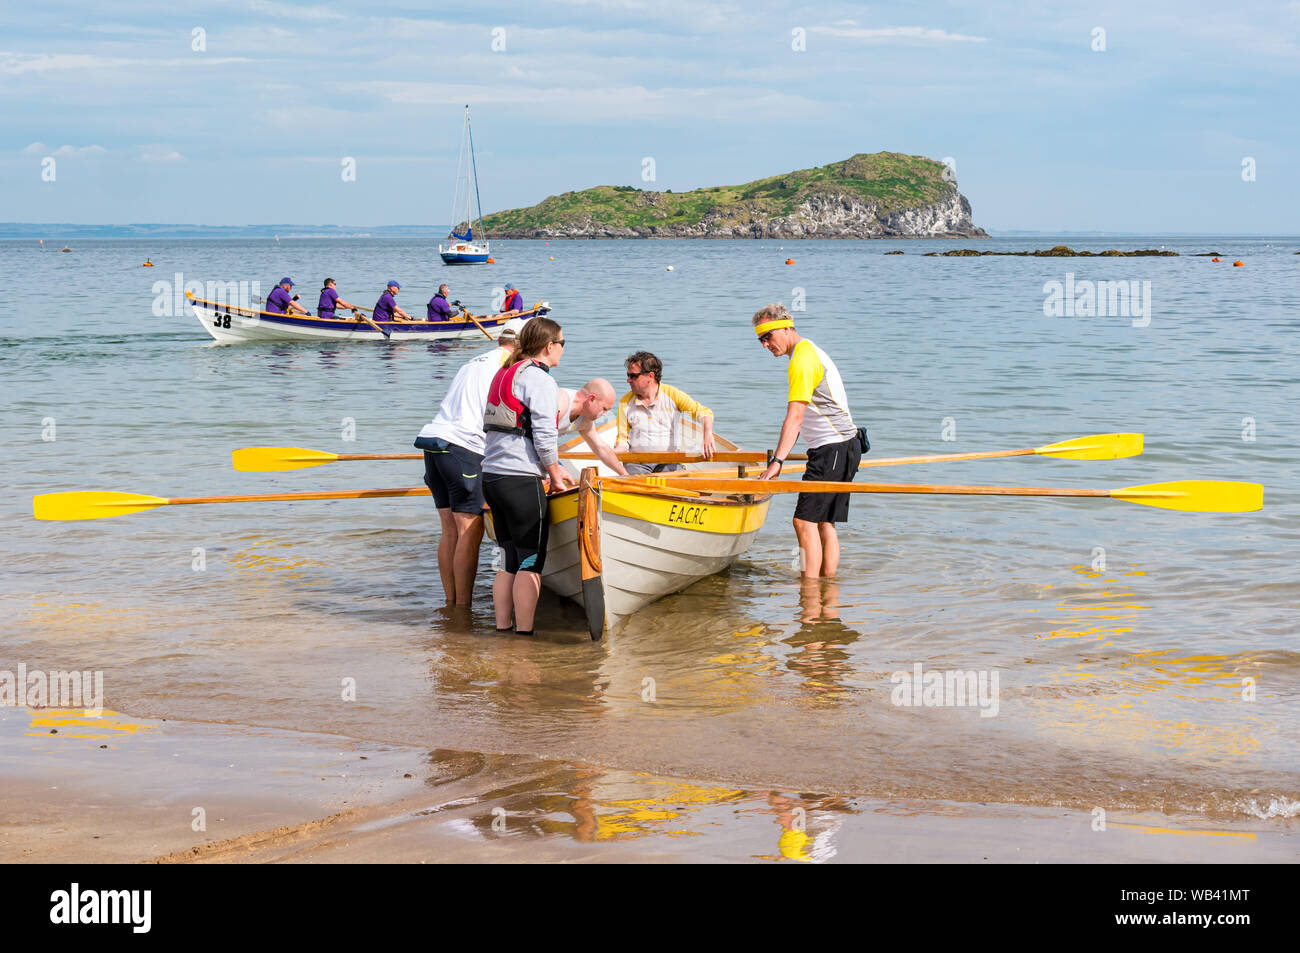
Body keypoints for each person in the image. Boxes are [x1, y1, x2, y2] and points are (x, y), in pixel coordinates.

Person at [414, 320, 527, 606]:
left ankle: (451, 603)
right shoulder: (511, 368)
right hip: (463, 447)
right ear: (522, 346)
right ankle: (463, 608)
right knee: (469, 529)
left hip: (433, 442)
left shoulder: (472, 362)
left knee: (449, 529)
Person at [753, 303, 864, 579]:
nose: (765, 345)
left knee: (804, 521)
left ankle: (810, 595)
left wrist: (776, 463)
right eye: (760, 340)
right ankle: (827, 590)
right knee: (825, 523)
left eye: (768, 336)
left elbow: (795, 418)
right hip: (847, 445)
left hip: (832, 449)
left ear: (787, 327)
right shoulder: (810, 350)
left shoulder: (801, 359)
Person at [480, 318, 573, 636]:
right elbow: (546, 436)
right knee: (531, 560)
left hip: (491, 477)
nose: (562, 350)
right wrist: (556, 475)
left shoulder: (505, 372)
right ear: (550, 346)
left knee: (508, 558)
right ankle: (525, 634)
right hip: (520, 479)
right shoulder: (539, 379)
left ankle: (503, 628)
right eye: (562, 344)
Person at [613, 351, 715, 474]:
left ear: (650, 376)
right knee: (636, 485)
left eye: (633, 376)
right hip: (637, 463)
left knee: (676, 485)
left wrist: (708, 434)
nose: (628, 380)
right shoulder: (625, 401)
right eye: (628, 375)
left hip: (669, 460)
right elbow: (623, 440)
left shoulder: (672, 394)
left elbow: (703, 413)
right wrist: (613, 453)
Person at [557, 380, 628, 475]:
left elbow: (601, 448)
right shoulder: (561, 402)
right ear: (591, 399)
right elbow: (541, 438)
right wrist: (556, 470)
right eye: (604, 409)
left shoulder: (585, 419)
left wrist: (624, 474)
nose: (605, 415)